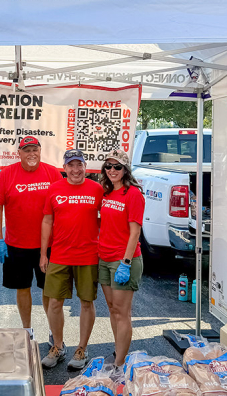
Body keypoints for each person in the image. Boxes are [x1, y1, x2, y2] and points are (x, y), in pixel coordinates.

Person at [39, 149, 103, 371]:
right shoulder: (54, 189)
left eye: (79, 165)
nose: (76, 170)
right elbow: (47, 220)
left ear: (85, 166)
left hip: (88, 255)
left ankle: (82, 349)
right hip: (60, 254)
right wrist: (43, 253)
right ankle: (57, 347)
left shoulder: (97, 189)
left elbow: (107, 219)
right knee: (54, 303)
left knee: (86, 302)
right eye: (71, 165)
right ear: (64, 168)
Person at [0, 136, 61, 330]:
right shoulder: (7, 174)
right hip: (17, 245)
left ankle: (54, 333)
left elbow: (62, 206)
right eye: (27, 150)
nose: (31, 154)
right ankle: (27, 330)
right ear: (19, 153)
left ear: (40, 151)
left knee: (49, 290)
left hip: (48, 245)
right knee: (22, 288)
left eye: (34, 149)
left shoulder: (53, 173)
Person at [98, 150, 145, 368]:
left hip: (123, 259)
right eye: (108, 166)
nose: (112, 170)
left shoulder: (133, 194)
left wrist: (125, 263)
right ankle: (118, 352)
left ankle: (118, 365)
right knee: (112, 309)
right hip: (104, 258)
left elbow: (135, 232)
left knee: (122, 312)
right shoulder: (106, 193)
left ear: (125, 170)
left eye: (117, 166)